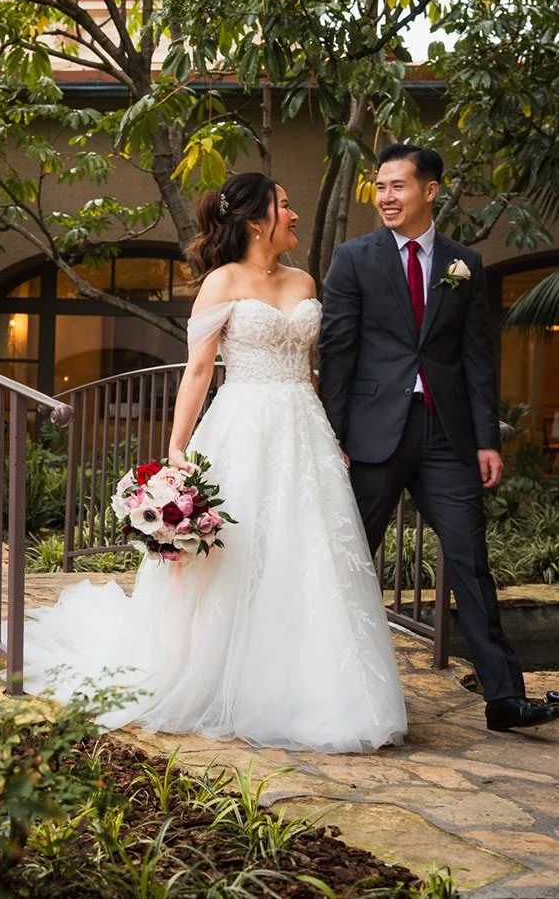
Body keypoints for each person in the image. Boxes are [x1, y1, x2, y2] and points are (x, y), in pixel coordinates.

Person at [22, 172, 408, 752]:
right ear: (257, 222)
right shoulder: (221, 282)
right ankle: (208, 675)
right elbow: (198, 371)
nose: (294, 214)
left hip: (304, 432)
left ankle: (308, 688)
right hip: (242, 427)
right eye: (285, 205)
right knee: (235, 555)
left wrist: (335, 432)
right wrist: (178, 450)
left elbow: (309, 371)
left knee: (307, 556)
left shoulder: (305, 281)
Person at [318, 143, 558, 733]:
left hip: (447, 438)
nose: (386, 198)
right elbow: (338, 353)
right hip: (373, 438)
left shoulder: (464, 264)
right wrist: (334, 434)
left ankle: (505, 699)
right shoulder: (354, 259)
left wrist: (486, 440)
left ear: (430, 191)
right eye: (380, 188)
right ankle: (321, 681)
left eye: (398, 187)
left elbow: (477, 358)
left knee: (471, 561)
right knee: (348, 559)